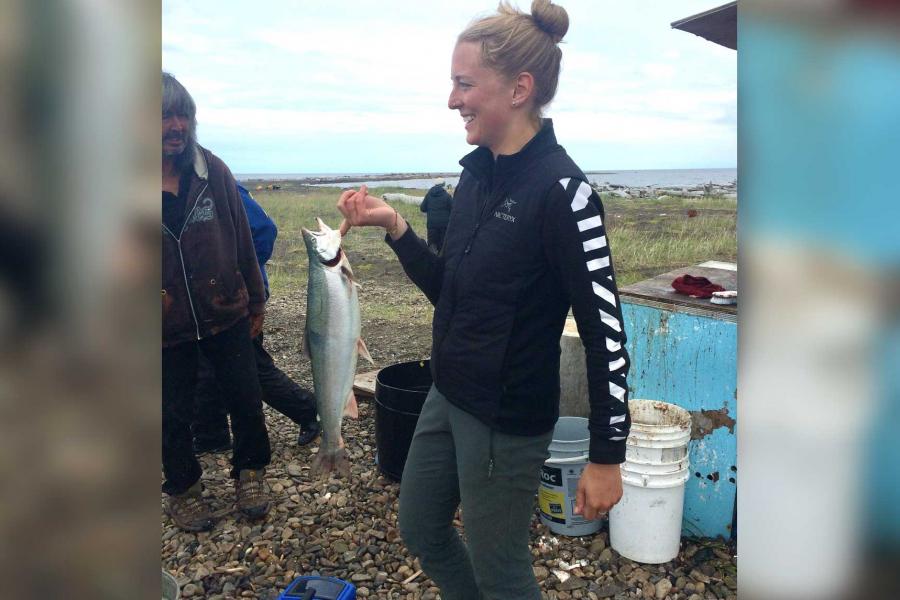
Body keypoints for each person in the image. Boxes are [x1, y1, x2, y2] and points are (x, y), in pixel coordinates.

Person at [337, 2, 631, 598]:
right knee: (420, 528)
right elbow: (452, 292)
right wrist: (396, 226)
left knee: (503, 573)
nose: (452, 100)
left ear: (519, 88)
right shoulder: (476, 175)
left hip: (506, 420)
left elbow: (606, 333)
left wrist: (606, 455)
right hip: (448, 394)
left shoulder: (564, 193)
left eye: (464, 84)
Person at [162, 72, 272, 532]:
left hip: (226, 308)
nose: (176, 126)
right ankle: (184, 489)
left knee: (246, 398)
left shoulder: (213, 171)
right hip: (163, 327)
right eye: (164, 116)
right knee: (169, 412)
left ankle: (251, 472)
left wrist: (257, 299)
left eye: (183, 115)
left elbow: (244, 238)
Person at [192, 184, 321, 453]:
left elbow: (264, 231)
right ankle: (211, 434)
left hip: (236, 299)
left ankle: (309, 411)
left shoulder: (216, 184)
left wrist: (235, 276)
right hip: (199, 304)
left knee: (250, 365)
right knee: (204, 365)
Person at [419, 177, 453, 252]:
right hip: (444, 225)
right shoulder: (447, 196)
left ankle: (432, 261)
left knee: (432, 245)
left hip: (431, 225)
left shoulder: (429, 195)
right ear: (443, 185)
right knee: (443, 246)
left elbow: (422, 208)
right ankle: (442, 261)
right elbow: (453, 209)